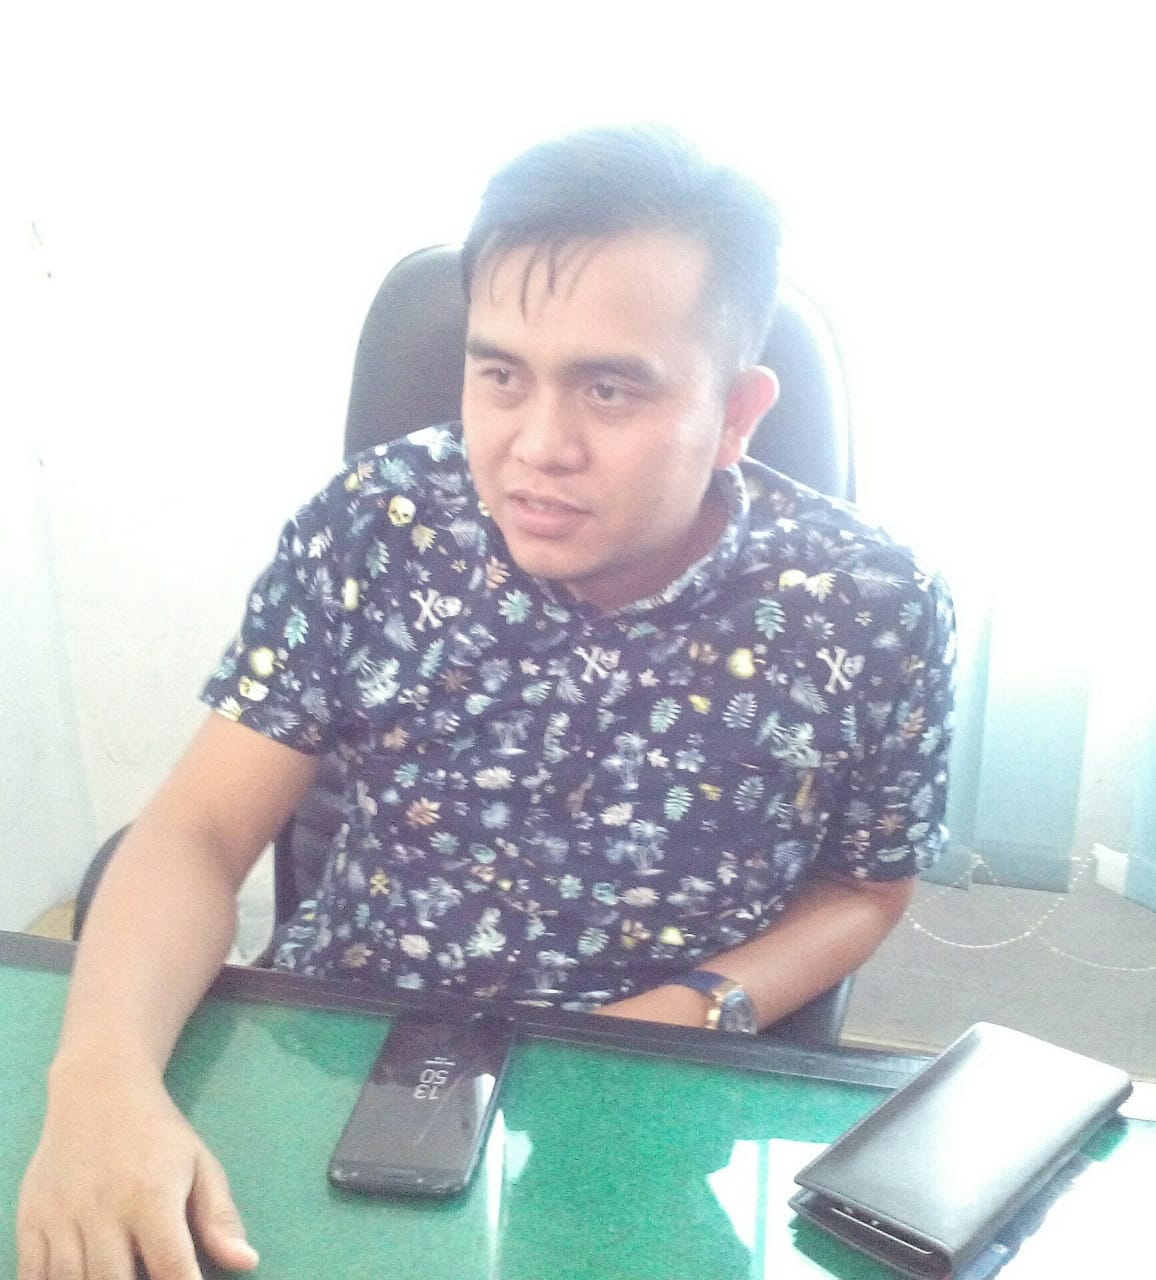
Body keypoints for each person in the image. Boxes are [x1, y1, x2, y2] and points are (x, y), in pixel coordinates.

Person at [17, 125, 954, 1279]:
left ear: (736, 413)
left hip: (643, 1091)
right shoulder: (379, 523)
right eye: (500, 374)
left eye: (609, 388)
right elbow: (194, 830)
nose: (537, 445)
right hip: (342, 1047)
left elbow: (864, 887)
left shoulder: (867, 605)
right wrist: (101, 1080)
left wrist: (699, 1004)